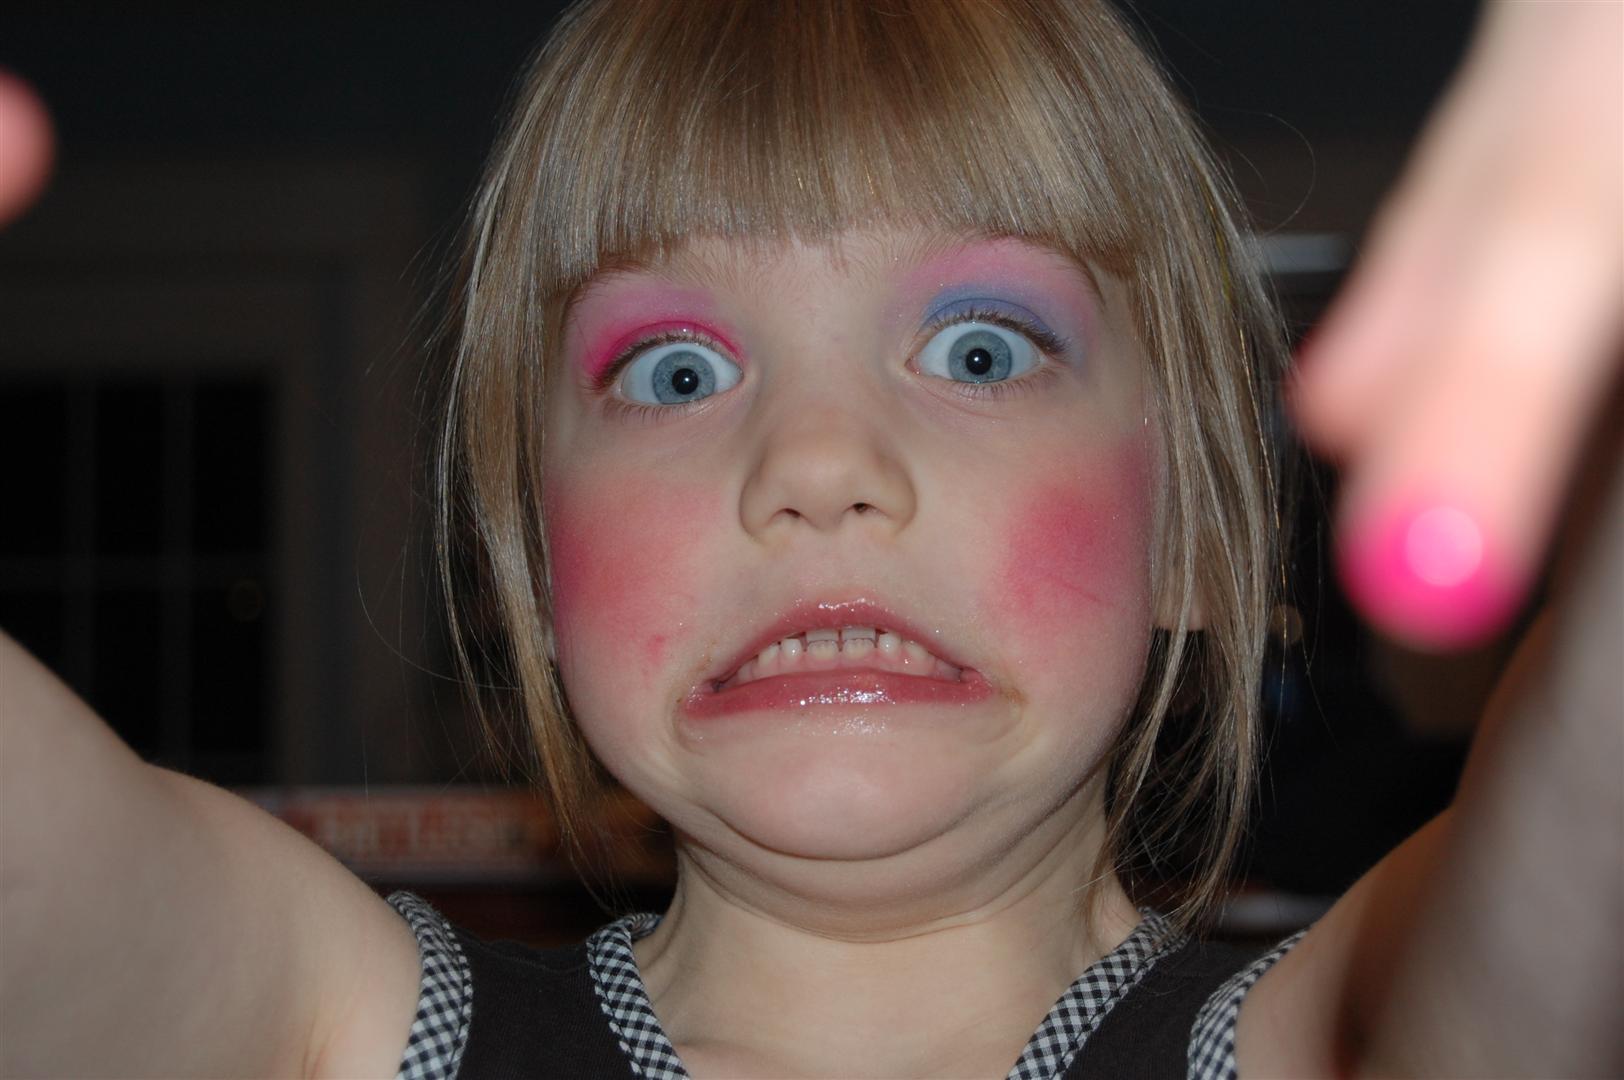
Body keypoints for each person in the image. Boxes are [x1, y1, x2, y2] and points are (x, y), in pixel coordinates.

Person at [1, 1, 1618, 1077]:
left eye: (980, 348)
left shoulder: (1322, 1045)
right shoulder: (351, 1034)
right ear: (537, 569)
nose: (818, 465)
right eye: (676, 371)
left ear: (1194, 530)